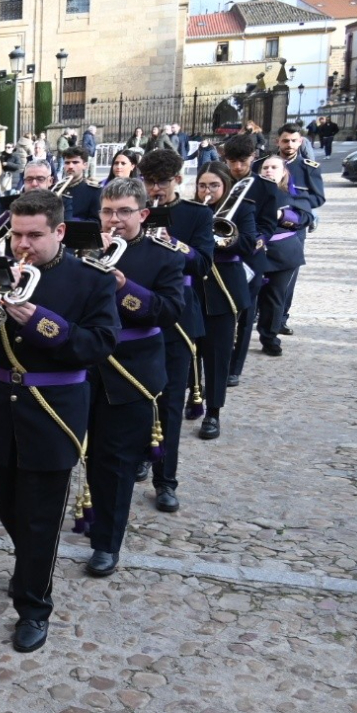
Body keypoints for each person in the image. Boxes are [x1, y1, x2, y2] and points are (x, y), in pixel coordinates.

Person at [0, 190, 117, 653]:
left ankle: (34, 605)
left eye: (35, 235)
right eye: (16, 235)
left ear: (60, 232)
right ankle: (28, 561)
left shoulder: (90, 280)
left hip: (53, 409)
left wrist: (42, 323)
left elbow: (100, 343)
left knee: (40, 517)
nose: (23, 245)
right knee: (6, 497)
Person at [83, 178, 183, 579]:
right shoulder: (83, 250)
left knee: (116, 461)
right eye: (108, 211)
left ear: (143, 214)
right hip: (82, 367)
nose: (115, 219)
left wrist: (126, 289)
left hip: (130, 372)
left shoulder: (164, 256)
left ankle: (106, 542)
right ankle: (90, 514)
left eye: (124, 211)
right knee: (87, 455)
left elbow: (170, 311)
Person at [138, 148, 214, 514]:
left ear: (178, 180)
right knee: (134, 392)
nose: (156, 189)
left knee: (169, 401)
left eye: (162, 182)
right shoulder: (135, 210)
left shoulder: (196, 214)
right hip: (136, 310)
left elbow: (203, 263)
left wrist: (173, 243)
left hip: (178, 314)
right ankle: (141, 452)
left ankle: (165, 480)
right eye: (150, 182)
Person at [191, 163, 256, 440]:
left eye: (214, 185)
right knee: (191, 351)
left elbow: (250, 244)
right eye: (203, 185)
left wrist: (226, 240)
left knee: (217, 355)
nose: (207, 191)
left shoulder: (243, 207)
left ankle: (213, 413)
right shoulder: (191, 210)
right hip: (193, 290)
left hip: (224, 289)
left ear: (225, 186)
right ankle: (194, 396)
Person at [221, 134, 279, 385]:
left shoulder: (265, 187)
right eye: (231, 161)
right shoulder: (219, 182)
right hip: (220, 254)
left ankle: (235, 367)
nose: (237, 167)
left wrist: (259, 240)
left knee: (246, 312)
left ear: (253, 158)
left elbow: (268, 224)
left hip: (249, 255)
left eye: (242, 161)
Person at [264, 124, 326, 352]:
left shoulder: (309, 168)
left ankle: (280, 318)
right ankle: (262, 316)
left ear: (300, 142)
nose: (289, 145)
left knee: (285, 279)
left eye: (293, 141)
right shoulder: (265, 165)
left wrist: (294, 206)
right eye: (285, 141)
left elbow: (318, 198)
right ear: (278, 142)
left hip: (294, 227)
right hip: (266, 227)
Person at [58, 146, 103, 221]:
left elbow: (96, 221)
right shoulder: (56, 189)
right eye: (67, 163)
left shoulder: (94, 191)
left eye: (75, 162)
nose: (70, 166)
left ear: (85, 165)